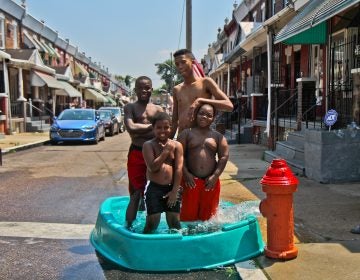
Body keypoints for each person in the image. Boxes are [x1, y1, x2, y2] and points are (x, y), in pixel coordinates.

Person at [177, 103, 229, 221]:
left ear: (213, 118)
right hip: (190, 181)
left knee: (209, 218)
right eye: (201, 113)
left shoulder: (218, 137)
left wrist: (215, 176)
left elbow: (224, 157)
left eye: (208, 115)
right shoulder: (187, 133)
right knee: (187, 217)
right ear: (196, 114)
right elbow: (178, 156)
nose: (204, 117)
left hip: (210, 182)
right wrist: (186, 174)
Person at [123, 76, 163, 229]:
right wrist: (152, 128)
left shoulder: (158, 109)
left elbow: (163, 132)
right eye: (140, 87)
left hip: (154, 153)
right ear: (135, 90)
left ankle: (150, 227)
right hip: (136, 153)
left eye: (147, 87)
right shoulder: (130, 108)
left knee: (155, 192)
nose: (144, 90)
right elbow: (131, 128)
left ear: (152, 89)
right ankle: (128, 228)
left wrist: (146, 130)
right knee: (135, 193)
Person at [171, 48, 233, 138]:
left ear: (192, 62)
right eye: (177, 64)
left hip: (200, 140)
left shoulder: (206, 82)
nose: (180, 66)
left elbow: (229, 106)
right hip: (182, 138)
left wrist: (201, 100)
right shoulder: (177, 89)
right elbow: (174, 121)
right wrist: (167, 143)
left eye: (183, 62)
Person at [142, 112, 183, 233]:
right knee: (152, 222)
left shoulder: (177, 145)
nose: (162, 130)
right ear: (153, 128)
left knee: (174, 223)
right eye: (159, 127)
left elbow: (178, 169)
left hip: (172, 188)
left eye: (166, 127)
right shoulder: (148, 145)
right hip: (154, 187)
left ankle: (175, 247)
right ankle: (144, 246)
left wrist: (175, 191)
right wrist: (165, 152)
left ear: (171, 128)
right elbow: (152, 167)